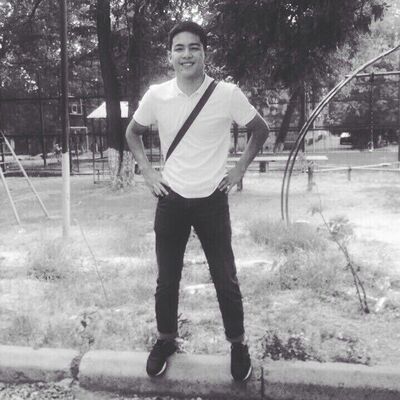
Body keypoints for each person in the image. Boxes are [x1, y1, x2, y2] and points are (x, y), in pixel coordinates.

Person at [126, 21, 269, 381]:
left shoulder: (227, 94)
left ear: (205, 53)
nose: (186, 54)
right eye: (179, 48)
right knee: (166, 279)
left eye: (194, 47)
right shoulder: (157, 95)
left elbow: (260, 129)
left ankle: (237, 345)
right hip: (171, 198)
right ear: (170, 55)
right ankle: (165, 341)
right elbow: (132, 132)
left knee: (225, 278)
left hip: (211, 200)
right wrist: (148, 172)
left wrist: (238, 170)